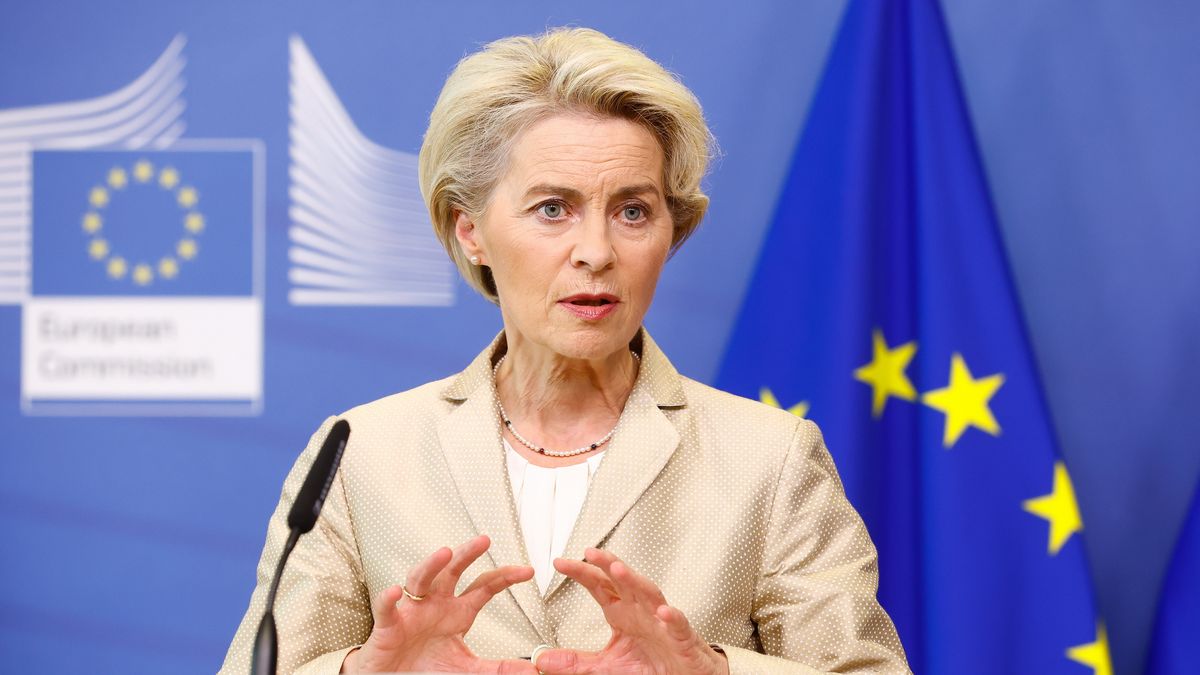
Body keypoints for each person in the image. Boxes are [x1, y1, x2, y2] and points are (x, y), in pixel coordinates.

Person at [221, 27, 909, 675]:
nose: (596, 252)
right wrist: (360, 671)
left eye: (633, 211)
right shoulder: (360, 455)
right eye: (553, 208)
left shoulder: (770, 457)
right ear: (470, 230)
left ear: (670, 232)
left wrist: (715, 670)